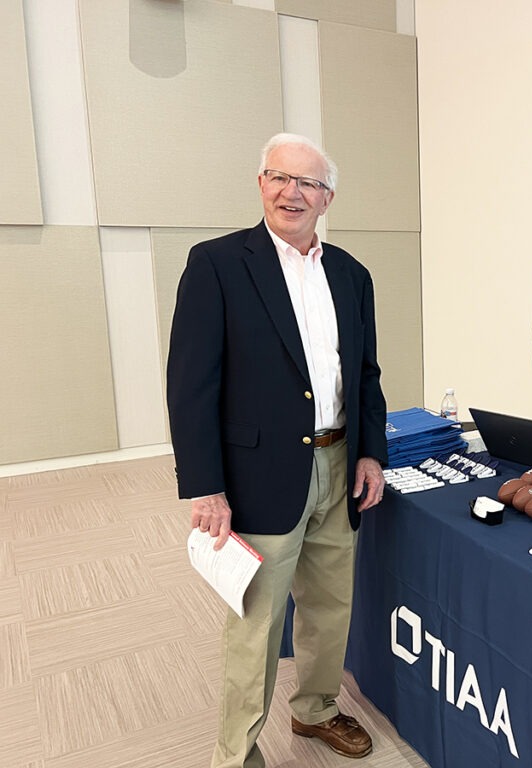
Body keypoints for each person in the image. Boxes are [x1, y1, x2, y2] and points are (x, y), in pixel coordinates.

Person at [166, 133, 388, 767]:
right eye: (278, 177)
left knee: (328, 604)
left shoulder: (352, 273)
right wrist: (205, 484)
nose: (292, 192)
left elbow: (365, 373)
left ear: (328, 198)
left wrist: (370, 453)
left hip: (341, 461)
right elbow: (190, 384)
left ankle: (315, 709)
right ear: (261, 184)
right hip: (258, 472)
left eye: (308, 183)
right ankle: (235, 753)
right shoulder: (216, 263)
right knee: (256, 622)